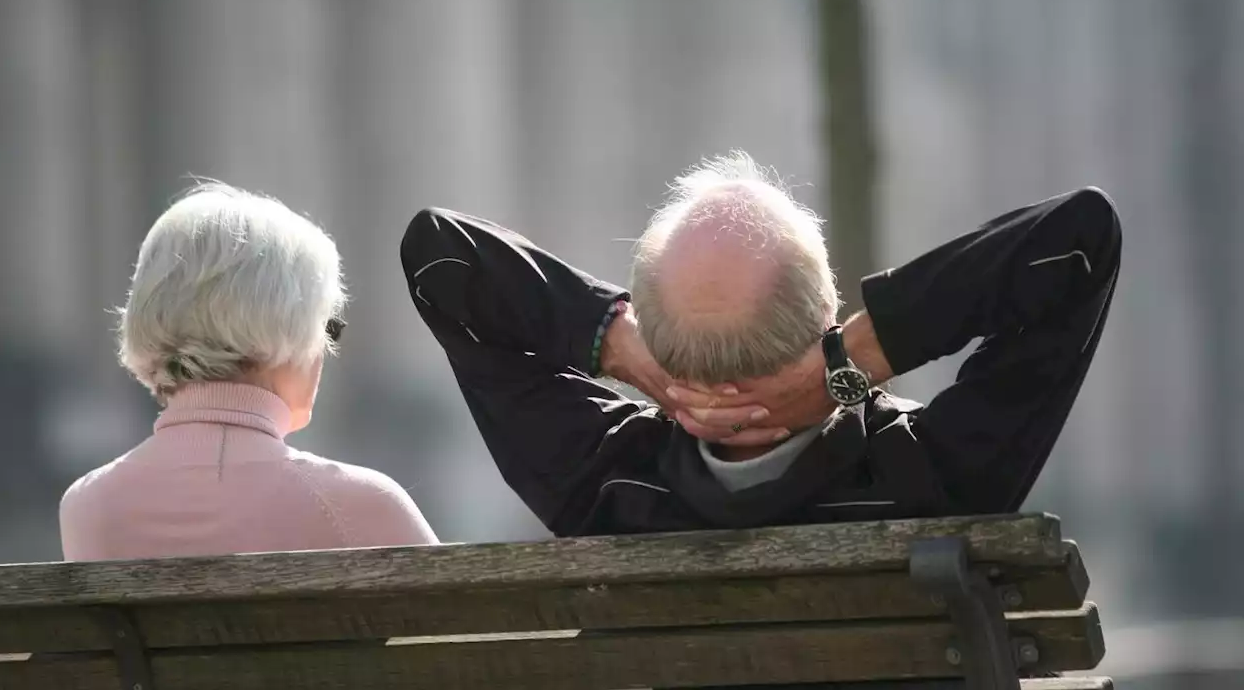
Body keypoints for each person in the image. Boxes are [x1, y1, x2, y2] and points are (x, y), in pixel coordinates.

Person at [401, 151, 1120, 537]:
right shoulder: (934, 474)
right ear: (828, 308)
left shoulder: (603, 486)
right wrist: (849, 365)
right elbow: (1080, 241)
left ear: (663, 342)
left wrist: (621, 350)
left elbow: (442, 260)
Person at [60, 182, 438, 561]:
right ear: (290, 324)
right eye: (328, 327)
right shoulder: (360, 504)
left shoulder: (88, 505)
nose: (327, 349)